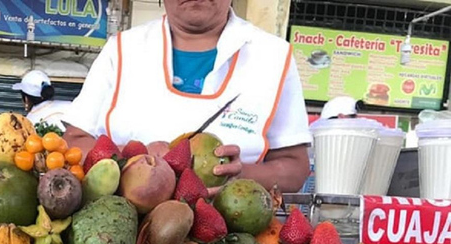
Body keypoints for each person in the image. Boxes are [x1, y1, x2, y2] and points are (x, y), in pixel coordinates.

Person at [62, 0, 312, 193]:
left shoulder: (273, 56)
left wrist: (241, 174)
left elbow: (295, 167)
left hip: (235, 237)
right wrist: (132, 156)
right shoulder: (122, 50)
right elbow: (73, 143)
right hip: (122, 232)